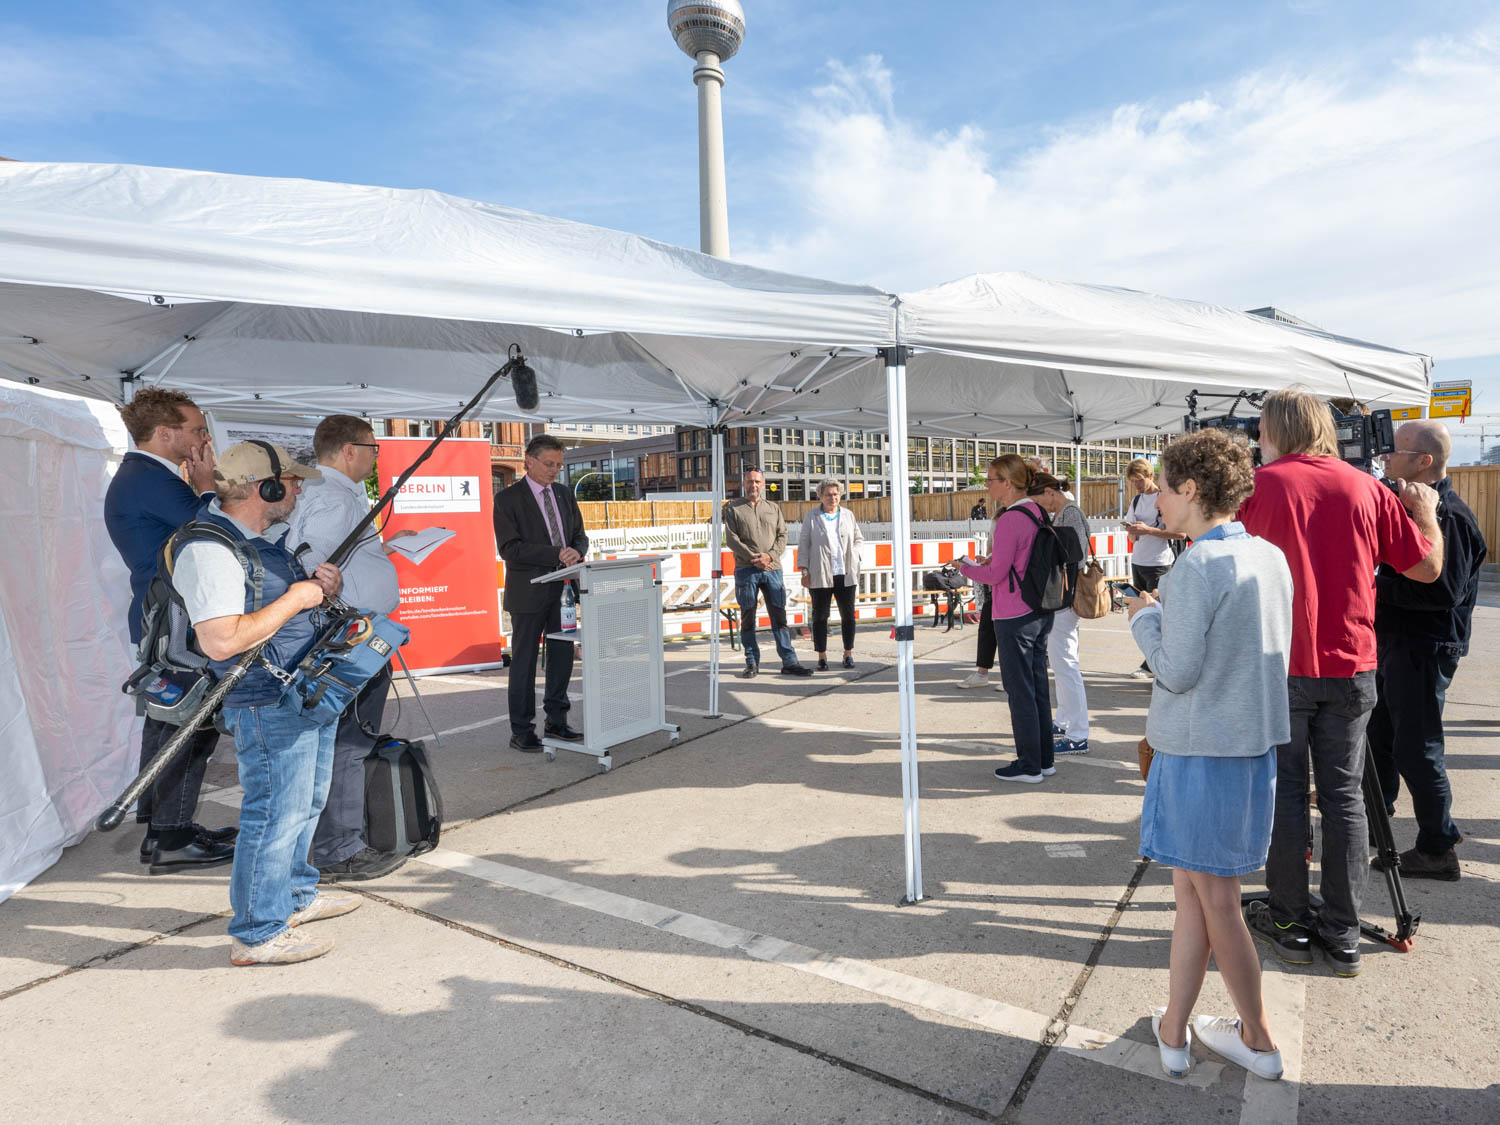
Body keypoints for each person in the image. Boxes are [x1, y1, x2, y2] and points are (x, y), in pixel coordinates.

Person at [1237, 388, 1442, 978]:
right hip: (1352, 662)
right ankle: (1343, 930)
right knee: (1344, 799)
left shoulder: (1262, 484)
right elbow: (1426, 567)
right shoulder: (1364, 486)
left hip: (1282, 662)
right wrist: (1424, 511)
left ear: (1277, 428)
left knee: (1285, 795)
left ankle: (1287, 918)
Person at [1126, 427, 1293, 1082]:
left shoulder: (1196, 565)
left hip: (1201, 752)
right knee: (1193, 896)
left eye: (1163, 488)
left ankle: (1259, 1037)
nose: (1156, 501)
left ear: (1191, 489)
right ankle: (1174, 1027)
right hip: (1248, 749)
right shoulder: (1269, 556)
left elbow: (1176, 669)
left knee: (1215, 900)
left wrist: (1145, 616)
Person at [172, 441, 358, 965]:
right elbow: (222, 641)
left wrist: (319, 587)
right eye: (292, 481)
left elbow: (273, 606)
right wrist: (296, 598)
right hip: (265, 698)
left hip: (302, 692)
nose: (299, 489)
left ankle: (296, 896)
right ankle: (257, 932)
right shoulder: (209, 547)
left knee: (305, 803)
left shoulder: (258, 540)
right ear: (265, 487)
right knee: (275, 812)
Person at [103, 387, 237, 874]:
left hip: (165, 618)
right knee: (189, 724)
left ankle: (165, 829)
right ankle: (170, 837)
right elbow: (214, 533)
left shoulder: (146, 475)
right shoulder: (150, 479)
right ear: (164, 433)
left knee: (171, 719)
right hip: (172, 622)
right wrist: (204, 485)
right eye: (197, 429)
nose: (204, 437)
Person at [287, 415, 414, 882]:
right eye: (372, 448)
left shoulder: (331, 493)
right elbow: (312, 564)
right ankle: (339, 850)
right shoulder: (333, 498)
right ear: (348, 451)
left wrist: (386, 550)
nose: (376, 455)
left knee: (344, 744)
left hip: (353, 633)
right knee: (349, 744)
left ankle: (337, 840)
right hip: (351, 640)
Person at [1367, 421, 1486, 881]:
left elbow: (1443, 591)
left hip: (1424, 646)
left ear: (1424, 462)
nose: (1385, 458)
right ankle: (1374, 822)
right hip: (1397, 642)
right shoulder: (1414, 508)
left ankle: (1438, 848)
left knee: (1417, 747)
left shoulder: (1448, 517)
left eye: (1395, 451)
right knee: (1379, 737)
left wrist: (1372, 589)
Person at [958, 455, 1056, 783]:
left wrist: (966, 567)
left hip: (1013, 611)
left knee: (1020, 690)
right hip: (1039, 609)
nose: (987, 485)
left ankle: (1028, 765)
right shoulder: (1036, 511)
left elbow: (997, 573)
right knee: (1037, 685)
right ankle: (1043, 759)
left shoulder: (1011, 518)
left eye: (990, 480)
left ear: (1008, 483)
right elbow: (1015, 561)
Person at [494, 434, 590, 751]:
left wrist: (576, 551)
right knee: (523, 664)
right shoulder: (508, 499)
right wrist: (556, 554)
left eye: (559, 466)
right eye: (549, 464)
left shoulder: (563, 494)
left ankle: (557, 722)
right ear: (529, 462)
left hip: (563, 589)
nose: (554, 471)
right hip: (528, 593)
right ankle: (521, 730)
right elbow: (510, 548)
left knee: (562, 658)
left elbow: (579, 536)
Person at [723, 467, 813, 678]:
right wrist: (755, 558)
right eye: (749, 481)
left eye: (757, 482)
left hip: (772, 569)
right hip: (747, 570)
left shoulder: (773, 508)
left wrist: (769, 557)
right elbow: (731, 540)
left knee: (779, 616)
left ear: (763, 484)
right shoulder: (733, 509)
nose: (753, 485)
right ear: (743, 483)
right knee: (748, 617)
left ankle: (790, 662)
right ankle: (752, 662)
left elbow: (782, 535)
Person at [1032, 473, 1091, 755]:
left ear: (1049, 492)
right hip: (1065, 597)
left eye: (1040, 501)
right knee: (1062, 662)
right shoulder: (1068, 511)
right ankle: (1066, 721)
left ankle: (1078, 733)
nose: (1041, 507)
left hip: (1065, 598)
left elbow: (1074, 556)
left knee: (1065, 664)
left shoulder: (1070, 512)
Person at [1123, 458, 1185, 679]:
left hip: (1160, 563)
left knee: (1160, 613)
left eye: (1139, 480)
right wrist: (1132, 532)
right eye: (1132, 482)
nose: (1136, 485)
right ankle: (1152, 661)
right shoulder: (1137, 500)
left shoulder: (1165, 498)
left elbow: (1180, 534)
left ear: (1150, 475)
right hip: (1139, 560)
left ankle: (1153, 664)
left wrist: (1149, 531)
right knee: (1141, 611)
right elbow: (1132, 532)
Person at [798, 479, 864, 670]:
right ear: (820, 496)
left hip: (845, 573)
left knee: (848, 616)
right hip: (820, 574)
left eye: (835, 494)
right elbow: (804, 545)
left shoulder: (848, 515)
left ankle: (848, 654)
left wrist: (856, 553)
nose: (832, 498)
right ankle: (822, 656)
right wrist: (804, 570)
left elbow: (859, 538)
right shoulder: (811, 517)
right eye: (828, 494)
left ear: (840, 495)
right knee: (820, 616)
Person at [955, 494, 1004, 693]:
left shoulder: (1016, 516)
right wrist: (988, 559)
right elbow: (997, 549)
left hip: (1008, 589)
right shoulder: (1001, 516)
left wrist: (986, 562)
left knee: (1006, 634)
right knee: (987, 629)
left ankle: (1007, 677)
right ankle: (982, 673)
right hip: (996, 587)